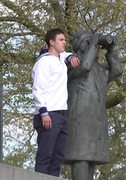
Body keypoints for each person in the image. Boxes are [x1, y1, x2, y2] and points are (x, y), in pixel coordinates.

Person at [64, 31, 122, 180]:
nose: (93, 46)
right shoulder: (72, 62)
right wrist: (95, 40)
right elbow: (85, 66)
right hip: (79, 117)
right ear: (80, 45)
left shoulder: (99, 69)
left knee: (91, 157)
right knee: (80, 156)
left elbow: (116, 71)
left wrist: (111, 51)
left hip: (95, 118)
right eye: (88, 41)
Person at [32, 28, 80, 177]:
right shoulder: (44, 62)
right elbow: (38, 88)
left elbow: (66, 56)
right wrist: (44, 113)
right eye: (61, 40)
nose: (65, 42)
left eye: (65, 40)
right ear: (52, 42)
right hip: (48, 114)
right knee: (46, 154)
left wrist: (71, 57)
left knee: (58, 156)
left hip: (62, 114)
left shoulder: (60, 58)